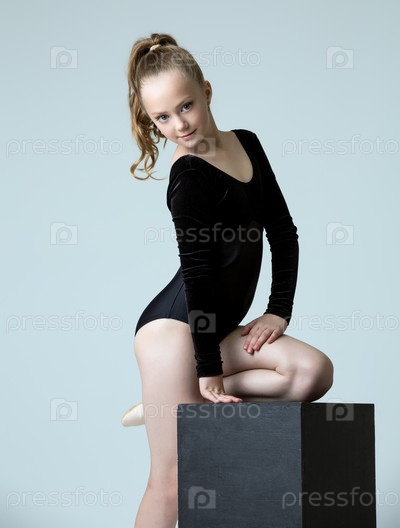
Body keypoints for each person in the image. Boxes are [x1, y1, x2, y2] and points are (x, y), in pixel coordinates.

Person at [123, 32, 334, 528]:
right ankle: (178, 393)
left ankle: (175, 401)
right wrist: (208, 366)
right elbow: (197, 278)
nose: (179, 125)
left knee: (311, 373)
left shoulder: (248, 144)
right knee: (172, 481)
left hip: (215, 332)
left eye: (186, 106)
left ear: (207, 91)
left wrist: (278, 309)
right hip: (174, 332)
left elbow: (283, 231)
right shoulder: (188, 178)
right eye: (162, 118)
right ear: (152, 121)